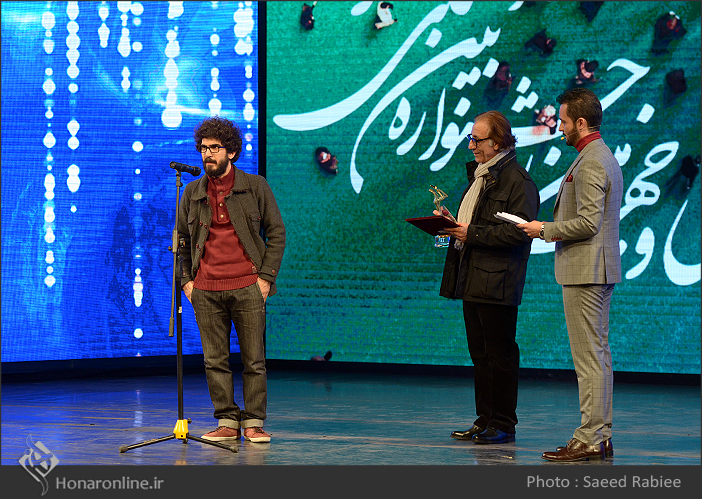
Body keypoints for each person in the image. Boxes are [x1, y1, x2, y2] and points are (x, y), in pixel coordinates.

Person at [517, 88, 623, 462]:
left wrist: (543, 229)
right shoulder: (597, 155)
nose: (559, 127)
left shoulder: (592, 160)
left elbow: (588, 222)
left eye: (563, 121)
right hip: (593, 269)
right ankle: (598, 436)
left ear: (580, 122)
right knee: (597, 357)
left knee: (589, 360)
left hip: (586, 271)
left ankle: (591, 437)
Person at [178, 116, 286, 444]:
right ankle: (227, 421)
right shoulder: (192, 192)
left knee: (253, 360)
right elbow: (181, 241)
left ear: (232, 152)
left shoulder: (255, 186)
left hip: (248, 286)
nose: (207, 154)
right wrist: (187, 283)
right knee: (215, 361)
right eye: (203, 148)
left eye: (214, 148)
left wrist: (265, 279)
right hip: (206, 289)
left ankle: (253, 422)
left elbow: (277, 232)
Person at [436, 111, 539, 445]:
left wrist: (471, 233)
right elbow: (477, 224)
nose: (471, 146)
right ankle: (485, 420)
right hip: (473, 276)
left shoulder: (518, 181)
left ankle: (504, 424)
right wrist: (452, 224)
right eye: (471, 139)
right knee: (480, 354)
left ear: (497, 142)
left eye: (476, 139)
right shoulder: (482, 176)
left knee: (500, 355)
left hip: (498, 281)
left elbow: (520, 233)